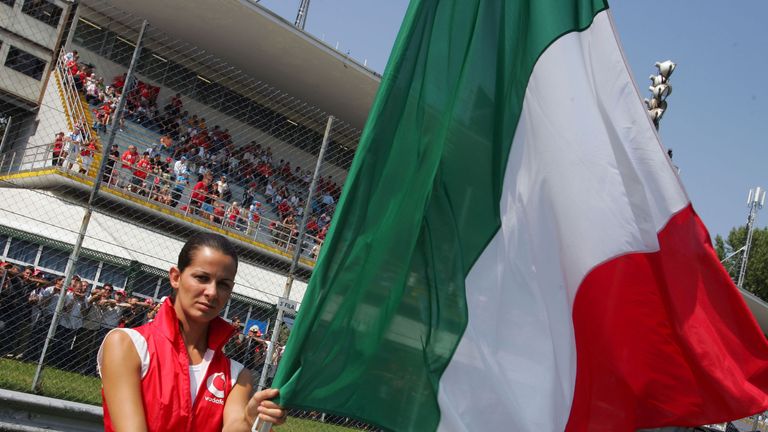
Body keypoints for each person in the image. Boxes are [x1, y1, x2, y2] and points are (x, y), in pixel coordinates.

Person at [98, 233, 286, 431]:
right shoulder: (127, 345)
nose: (212, 292)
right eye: (202, 278)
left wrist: (250, 420)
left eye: (223, 284)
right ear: (175, 277)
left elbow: (235, 425)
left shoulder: (237, 376)